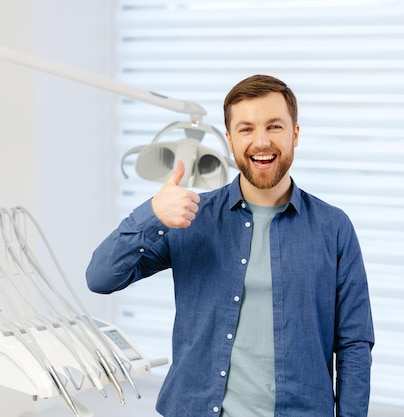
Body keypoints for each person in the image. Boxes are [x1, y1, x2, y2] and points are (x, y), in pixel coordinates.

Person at [86, 74, 374, 417]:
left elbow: (354, 344)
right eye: (246, 129)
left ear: (295, 134)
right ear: (230, 139)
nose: (261, 141)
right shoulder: (191, 217)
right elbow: (100, 278)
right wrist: (151, 214)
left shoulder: (333, 227)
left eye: (274, 127)